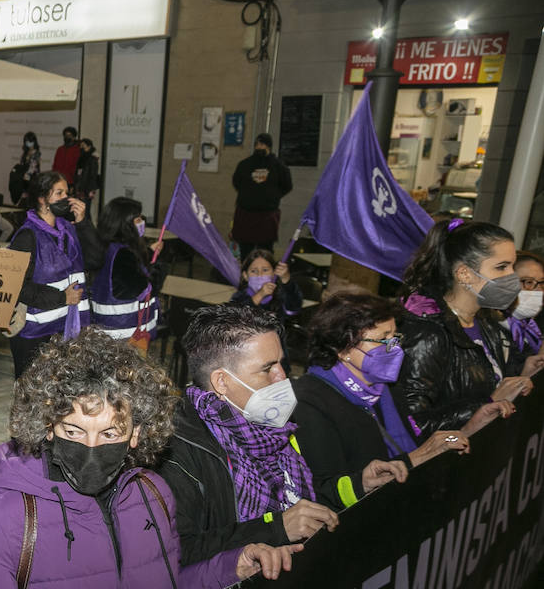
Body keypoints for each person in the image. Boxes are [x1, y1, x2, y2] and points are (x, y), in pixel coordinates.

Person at [0, 331, 297, 589]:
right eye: (73, 430)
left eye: (111, 433)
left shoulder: (152, 493)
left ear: (136, 433)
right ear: (48, 427)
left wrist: (228, 568)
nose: (91, 448)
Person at [159, 304, 345, 565]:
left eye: (282, 364)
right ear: (222, 382)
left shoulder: (275, 427)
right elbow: (177, 552)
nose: (283, 377)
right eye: (267, 368)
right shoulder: (175, 452)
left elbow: (299, 498)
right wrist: (275, 529)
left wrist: (360, 485)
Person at [294, 291, 471, 510]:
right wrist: (416, 458)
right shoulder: (309, 401)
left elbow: (412, 440)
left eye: (395, 337)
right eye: (383, 339)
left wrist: (474, 424)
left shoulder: (386, 385)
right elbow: (321, 490)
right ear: (343, 348)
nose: (394, 348)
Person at [397, 219, 541, 435]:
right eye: (501, 267)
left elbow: (495, 381)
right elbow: (413, 426)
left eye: (512, 266)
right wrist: (488, 403)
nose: (512, 277)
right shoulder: (427, 333)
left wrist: (524, 375)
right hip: (447, 466)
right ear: (464, 274)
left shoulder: (488, 322)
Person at [7, 170, 89, 377]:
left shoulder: (68, 230)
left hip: (64, 328)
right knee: (32, 399)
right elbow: (17, 286)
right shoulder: (27, 236)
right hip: (33, 334)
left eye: (67, 193)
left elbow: (96, 260)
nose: (66, 199)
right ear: (42, 199)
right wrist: (63, 297)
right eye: (59, 193)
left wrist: (84, 223)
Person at [79, 196, 164, 345]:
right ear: (125, 224)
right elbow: (143, 288)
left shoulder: (106, 247)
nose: (141, 222)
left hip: (108, 329)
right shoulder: (124, 255)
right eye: (137, 219)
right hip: (126, 334)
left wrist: (148, 253)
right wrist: (158, 268)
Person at [231, 133, 292, 259]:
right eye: (257, 144)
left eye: (263, 144)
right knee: (246, 252)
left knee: (266, 252)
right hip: (246, 213)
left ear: (269, 147)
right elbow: (237, 183)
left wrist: (273, 197)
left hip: (267, 215)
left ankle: (265, 277)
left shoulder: (278, 166)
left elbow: (287, 185)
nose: (259, 147)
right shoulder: (244, 165)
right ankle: (246, 276)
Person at [228, 248, 301, 317]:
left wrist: (287, 281)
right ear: (245, 275)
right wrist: (260, 295)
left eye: (265, 270)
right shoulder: (239, 297)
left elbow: (294, 307)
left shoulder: (280, 295)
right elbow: (234, 316)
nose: (260, 275)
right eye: (254, 271)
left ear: (274, 273)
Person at [503, 250, 543, 355]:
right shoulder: (487, 326)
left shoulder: (534, 327)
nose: (539, 290)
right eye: (528, 282)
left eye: (542, 283)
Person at [9, 132, 40, 207]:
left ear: (34, 142)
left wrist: (26, 178)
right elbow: (21, 165)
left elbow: (33, 167)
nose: (28, 143)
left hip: (31, 179)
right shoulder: (25, 152)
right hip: (23, 178)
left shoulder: (36, 153)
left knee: (29, 200)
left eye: (30, 141)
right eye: (26, 141)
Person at [72, 137, 101, 205]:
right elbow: (78, 172)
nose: (81, 147)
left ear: (89, 146)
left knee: (86, 211)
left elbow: (93, 175)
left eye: (83, 146)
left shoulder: (93, 159)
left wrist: (91, 190)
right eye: (81, 146)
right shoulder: (81, 158)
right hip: (79, 187)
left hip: (87, 188)